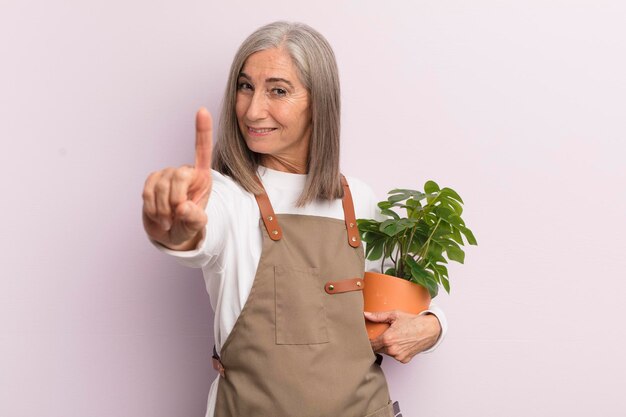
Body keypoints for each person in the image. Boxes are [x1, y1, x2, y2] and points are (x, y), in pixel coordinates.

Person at [142, 21, 447, 417]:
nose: (252, 109)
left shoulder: (359, 200)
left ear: (319, 102)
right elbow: (197, 232)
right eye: (245, 85)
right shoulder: (227, 196)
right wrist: (174, 227)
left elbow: (402, 301)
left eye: (278, 90)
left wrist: (432, 326)